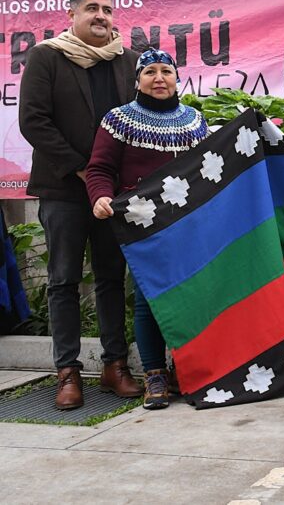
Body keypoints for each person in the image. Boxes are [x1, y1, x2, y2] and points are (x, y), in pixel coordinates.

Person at [19, 0, 142, 410]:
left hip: (113, 196)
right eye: (91, 8)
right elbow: (33, 121)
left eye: (107, 9)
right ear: (71, 14)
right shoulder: (47, 56)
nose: (101, 16)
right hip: (64, 190)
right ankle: (68, 371)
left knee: (111, 278)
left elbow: (140, 121)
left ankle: (115, 366)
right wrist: (82, 168)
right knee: (63, 280)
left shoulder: (128, 61)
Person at [85, 49, 209, 409]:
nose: (159, 78)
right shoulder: (119, 120)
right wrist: (101, 197)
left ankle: (183, 369)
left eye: (166, 71)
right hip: (140, 225)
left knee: (188, 296)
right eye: (150, 72)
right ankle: (154, 374)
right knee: (147, 298)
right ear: (137, 80)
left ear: (176, 78)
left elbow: (206, 171)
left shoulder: (195, 121)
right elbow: (99, 169)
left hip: (187, 225)